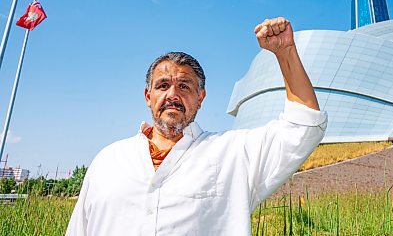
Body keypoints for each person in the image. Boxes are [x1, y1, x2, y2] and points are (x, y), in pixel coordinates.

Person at [66, 17, 327, 236]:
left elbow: (303, 125)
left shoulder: (233, 153)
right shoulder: (108, 160)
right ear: (148, 96)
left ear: (200, 98)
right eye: (163, 85)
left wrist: (285, 53)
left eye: (184, 86)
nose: (173, 95)